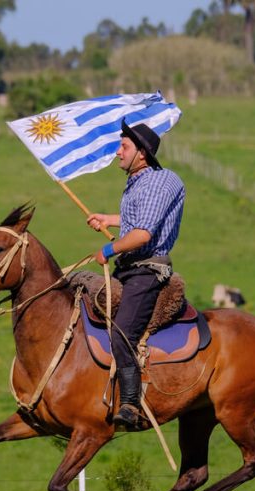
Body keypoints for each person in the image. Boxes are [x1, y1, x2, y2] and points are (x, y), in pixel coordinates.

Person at [87, 121, 186, 429]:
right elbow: (137, 219)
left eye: (124, 147)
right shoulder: (139, 181)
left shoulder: (157, 182)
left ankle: (130, 404)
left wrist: (108, 249)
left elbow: (142, 234)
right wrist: (109, 219)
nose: (118, 152)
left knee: (122, 332)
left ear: (142, 153)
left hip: (147, 270)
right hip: (129, 267)